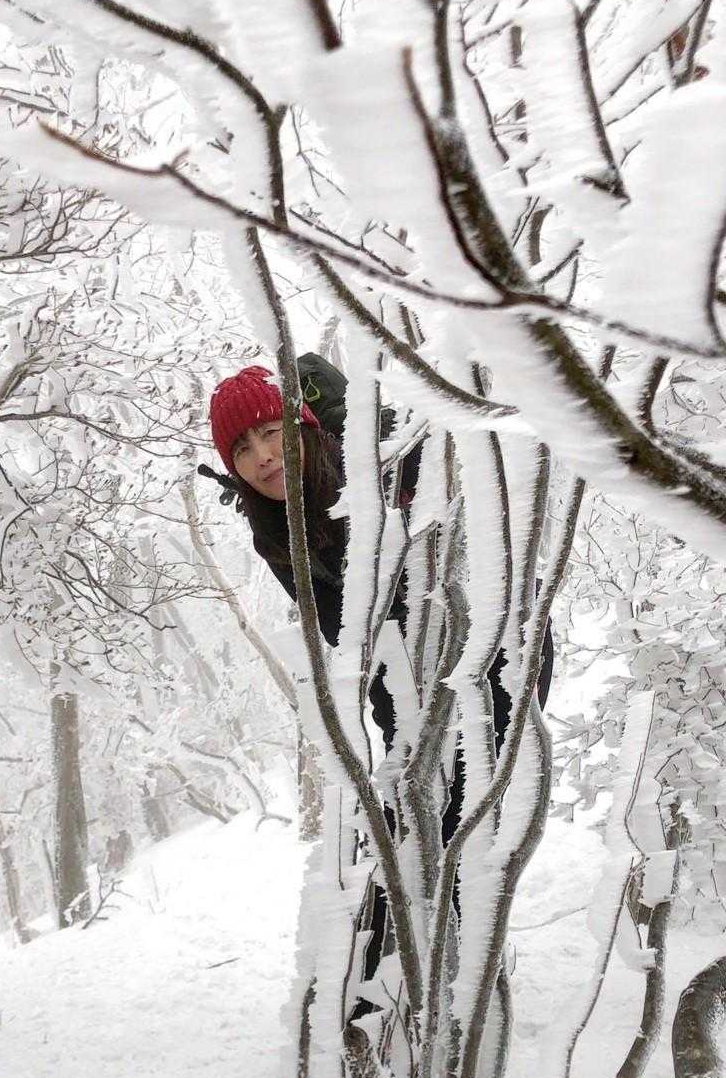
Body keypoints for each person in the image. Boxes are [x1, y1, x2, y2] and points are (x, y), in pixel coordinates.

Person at [206, 363, 553, 975]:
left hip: (492, 650)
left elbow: (480, 529)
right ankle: (384, 980)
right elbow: (346, 636)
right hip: (404, 680)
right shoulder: (276, 533)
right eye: (242, 449)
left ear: (303, 428)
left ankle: (460, 977)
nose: (262, 457)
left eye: (271, 432)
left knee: (460, 823)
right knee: (404, 827)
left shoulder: (381, 458)